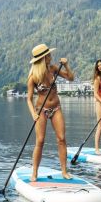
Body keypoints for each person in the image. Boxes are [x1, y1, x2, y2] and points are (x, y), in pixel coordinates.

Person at [27, 43, 75, 181]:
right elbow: (29, 99)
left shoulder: (54, 68)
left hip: (56, 108)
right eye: (48, 55)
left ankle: (64, 171)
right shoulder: (33, 77)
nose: (51, 57)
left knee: (61, 139)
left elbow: (71, 78)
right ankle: (34, 172)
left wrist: (66, 65)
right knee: (40, 141)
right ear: (43, 58)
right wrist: (33, 114)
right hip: (41, 110)